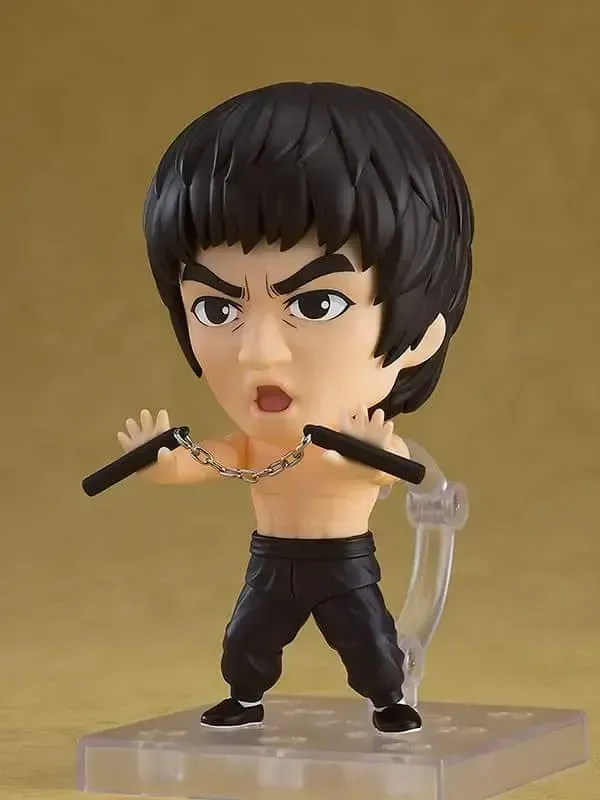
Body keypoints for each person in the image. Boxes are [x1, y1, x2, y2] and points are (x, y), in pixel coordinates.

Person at [117, 82, 474, 734]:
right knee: (248, 636)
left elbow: (394, 469)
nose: (257, 352)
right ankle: (244, 695)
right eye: (216, 309)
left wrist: (369, 457)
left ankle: (390, 699)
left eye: (315, 304)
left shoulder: (360, 437)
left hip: (343, 559)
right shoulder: (263, 446)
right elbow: (216, 457)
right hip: (271, 556)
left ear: (421, 331)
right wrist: (164, 462)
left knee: (366, 639)